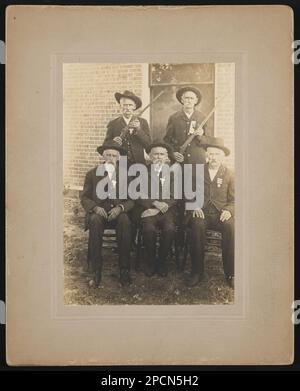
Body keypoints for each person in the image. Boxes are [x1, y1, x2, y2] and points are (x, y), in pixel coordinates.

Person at [80, 141, 134, 287]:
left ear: (118, 158)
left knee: (125, 222)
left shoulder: (126, 175)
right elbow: (84, 197)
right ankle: (95, 271)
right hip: (100, 212)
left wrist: (121, 207)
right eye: (108, 155)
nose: (111, 158)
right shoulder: (92, 173)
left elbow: (133, 199)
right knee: (95, 221)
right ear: (103, 156)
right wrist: (95, 208)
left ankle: (124, 270)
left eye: (114, 155)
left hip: (118, 213)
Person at [184, 136, 234, 288]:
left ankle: (231, 273)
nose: (213, 157)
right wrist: (194, 206)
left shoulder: (230, 174)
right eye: (210, 154)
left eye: (217, 154)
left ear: (222, 156)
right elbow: (188, 193)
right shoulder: (197, 171)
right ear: (206, 155)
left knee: (232, 228)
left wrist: (228, 210)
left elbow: (235, 199)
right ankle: (197, 271)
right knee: (197, 226)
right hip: (202, 212)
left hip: (221, 213)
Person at [134, 140, 177, 277]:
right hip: (148, 209)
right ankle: (151, 261)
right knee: (148, 229)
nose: (158, 157)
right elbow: (138, 193)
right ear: (150, 157)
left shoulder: (172, 173)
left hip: (166, 210)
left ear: (166, 157)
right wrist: (153, 203)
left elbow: (175, 194)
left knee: (169, 229)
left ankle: (162, 262)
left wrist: (161, 206)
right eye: (155, 154)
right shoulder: (142, 172)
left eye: (161, 154)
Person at [164, 86, 209, 165]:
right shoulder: (174, 118)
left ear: (196, 101)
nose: (189, 101)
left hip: (197, 160)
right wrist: (173, 153)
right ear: (182, 100)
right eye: (187, 98)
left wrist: (201, 135)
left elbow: (208, 142)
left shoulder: (202, 117)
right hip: (180, 161)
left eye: (192, 98)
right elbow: (167, 141)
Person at [104, 90, 151, 164]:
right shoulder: (113, 124)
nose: (128, 108)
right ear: (120, 106)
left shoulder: (143, 122)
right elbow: (105, 145)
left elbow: (148, 144)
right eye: (125, 105)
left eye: (130, 105)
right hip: (121, 164)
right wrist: (113, 142)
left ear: (134, 107)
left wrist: (138, 130)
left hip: (139, 164)